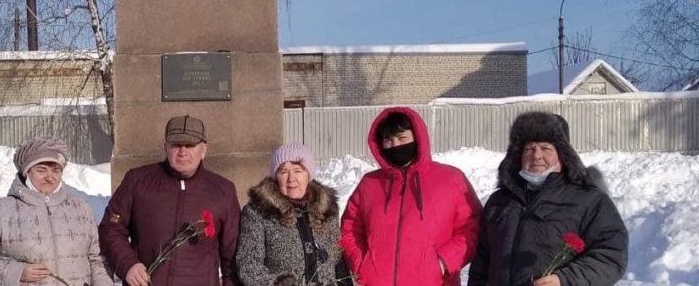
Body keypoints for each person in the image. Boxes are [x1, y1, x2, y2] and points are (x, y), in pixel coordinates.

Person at [468, 111, 628, 286]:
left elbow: (611, 256)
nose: (536, 156)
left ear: (562, 155)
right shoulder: (499, 202)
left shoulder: (590, 201)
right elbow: (481, 263)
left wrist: (565, 280)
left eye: (545, 148)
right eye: (529, 149)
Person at [340, 107, 482, 286]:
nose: (395, 145)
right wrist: (362, 265)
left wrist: (443, 262)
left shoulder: (450, 179)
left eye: (402, 138)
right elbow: (350, 229)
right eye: (388, 140)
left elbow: (473, 228)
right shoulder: (369, 184)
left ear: (417, 137)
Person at [98, 115, 240, 285]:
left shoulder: (223, 191)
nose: (182, 152)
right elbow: (111, 228)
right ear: (165, 147)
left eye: (189, 145)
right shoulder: (137, 181)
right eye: (176, 145)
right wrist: (128, 264)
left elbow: (231, 255)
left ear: (204, 150)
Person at [0, 136, 112, 286]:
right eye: (41, 170)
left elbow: (98, 259)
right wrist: (17, 272)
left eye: (56, 170)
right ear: (27, 172)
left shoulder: (81, 209)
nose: (50, 177)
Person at [236, 143, 351, 286]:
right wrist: (277, 283)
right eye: (283, 172)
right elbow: (248, 265)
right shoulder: (259, 212)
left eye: (298, 170)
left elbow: (336, 257)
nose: (291, 179)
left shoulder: (326, 209)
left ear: (308, 174)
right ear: (275, 176)